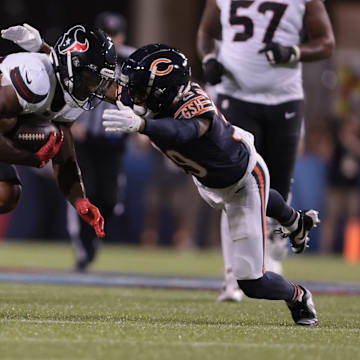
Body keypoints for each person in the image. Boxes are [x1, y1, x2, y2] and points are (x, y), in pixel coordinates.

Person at [102, 43, 320, 326]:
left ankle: (299, 296)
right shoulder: (153, 97)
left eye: (142, 91)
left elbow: (185, 131)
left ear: (164, 91)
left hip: (243, 177)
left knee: (252, 283)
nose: (134, 96)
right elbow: (102, 86)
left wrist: (143, 126)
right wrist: (50, 55)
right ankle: (294, 220)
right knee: (257, 201)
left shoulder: (194, 105)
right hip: (210, 179)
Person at [196, 0, 335, 301]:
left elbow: (327, 42)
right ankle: (233, 275)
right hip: (237, 96)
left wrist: (294, 52)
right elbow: (206, 32)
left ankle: (273, 254)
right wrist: (209, 58)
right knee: (234, 186)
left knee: (278, 191)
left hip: (283, 98)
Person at [0, 23, 118, 239]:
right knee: (15, 125)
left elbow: (65, 157)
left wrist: (79, 200)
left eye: (100, 82)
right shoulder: (34, 78)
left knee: (6, 195)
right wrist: (29, 157)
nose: (94, 89)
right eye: (92, 80)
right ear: (73, 67)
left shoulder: (69, 98)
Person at [68, 12, 134, 271]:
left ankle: (91, 240)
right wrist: (71, 121)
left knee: (108, 198)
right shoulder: (83, 57)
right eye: (106, 35)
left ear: (123, 36)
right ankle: (83, 248)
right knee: (86, 191)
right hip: (85, 140)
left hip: (114, 141)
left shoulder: (132, 61)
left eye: (115, 35)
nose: (112, 40)